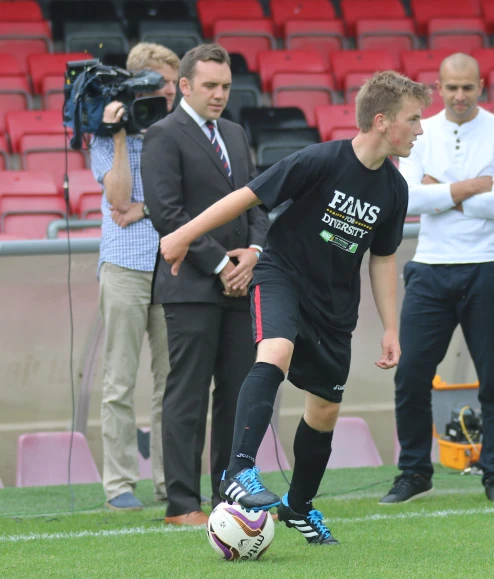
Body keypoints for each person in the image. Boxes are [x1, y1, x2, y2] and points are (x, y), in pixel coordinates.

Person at [159, 71, 431, 543]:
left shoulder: (394, 188)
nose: (420, 129)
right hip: (281, 276)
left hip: (334, 307)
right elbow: (246, 197)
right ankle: (237, 472)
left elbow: (383, 260)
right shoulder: (320, 159)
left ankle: (299, 506)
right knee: (276, 350)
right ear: (383, 121)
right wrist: (183, 235)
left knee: (324, 409)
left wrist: (391, 327)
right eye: (414, 119)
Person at [379, 53, 494, 505]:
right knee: (412, 376)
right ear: (439, 87)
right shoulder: (422, 129)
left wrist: (441, 190)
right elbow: (408, 196)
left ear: (481, 85)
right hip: (432, 265)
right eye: (451, 88)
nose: (459, 96)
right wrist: (471, 186)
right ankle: (415, 471)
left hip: (491, 265)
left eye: (468, 87)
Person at [141, 44, 269, 526]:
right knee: (188, 395)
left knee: (238, 395)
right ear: (185, 87)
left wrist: (253, 255)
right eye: (210, 86)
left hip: (242, 282)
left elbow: (257, 202)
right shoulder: (162, 135)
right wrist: (222, 265)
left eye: (225, 87)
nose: (219, 95)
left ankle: (228, 496)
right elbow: (167, 214)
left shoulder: (235, 133)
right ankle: (181, 504)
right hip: (191, 287)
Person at [91, 43, 179, 511]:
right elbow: (119, 200)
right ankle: (119, 484)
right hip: (124, 265)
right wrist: (122, 133)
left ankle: (172, 484)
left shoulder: (181, 132)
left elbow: (188, 202)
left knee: (173, 382)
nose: (165, 91)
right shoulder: (104, 137)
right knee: (118, 381)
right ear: (134, 84)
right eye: (156, 82)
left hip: (171, 264)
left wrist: (149, 209)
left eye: (170, 82)